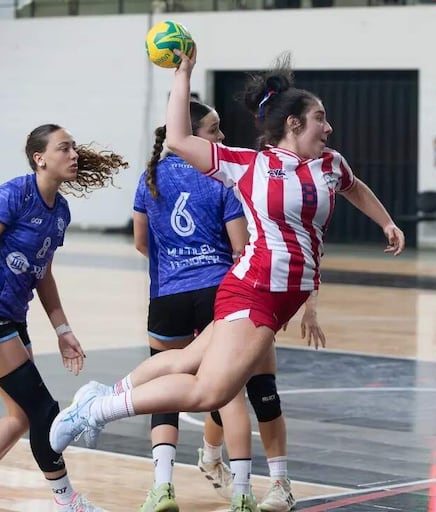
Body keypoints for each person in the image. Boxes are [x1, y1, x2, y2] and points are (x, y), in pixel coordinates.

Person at [49, 50, 404, 511]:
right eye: (320, 118)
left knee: (187, 358)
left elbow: (355, 187)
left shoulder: (330, 164)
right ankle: (94, 411)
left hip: (277, 300)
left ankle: (103, 393)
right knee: (210, 391)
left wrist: (386, 222)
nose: (329, 127)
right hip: (253, 289)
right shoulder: (247, 165)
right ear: (293, 124)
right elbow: (177, 138)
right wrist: (183, 73)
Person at [129, 99, 324, 511]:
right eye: (214, 130)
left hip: (166, 294)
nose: (221, 137)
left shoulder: (149, 178)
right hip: (225, 293)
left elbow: (141, 243)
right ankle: (241, 491)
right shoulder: (225, 180)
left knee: (169, 383)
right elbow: (241, 247)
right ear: (194, 134)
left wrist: (176, 267)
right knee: (232, 393)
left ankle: (162, 485)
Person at [0, 124, 126, 512]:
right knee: (44, 411)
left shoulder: (60, 211)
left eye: (74, 148)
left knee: (19, 416)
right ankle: (66, 501)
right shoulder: (12, 195)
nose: (74, 155)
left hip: (12, 320)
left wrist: (62, 329)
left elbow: (44, 273)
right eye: (64, 148)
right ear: (40, 158)